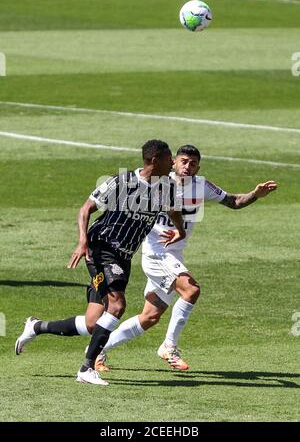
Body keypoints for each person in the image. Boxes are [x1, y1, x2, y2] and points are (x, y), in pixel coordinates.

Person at [15, 139, 186, 386]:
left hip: (124, 256)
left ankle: (36, 327)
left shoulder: (168, 186)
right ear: (154, 160)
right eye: (169, 158)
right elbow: (86, 209)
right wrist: (82, 241)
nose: (173, 162)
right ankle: (86, 368)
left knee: (93, 323)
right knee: (117, 306)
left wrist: (179, 230)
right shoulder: (122, 181)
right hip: (102, 249)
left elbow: (173, 211)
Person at [93, 145, 278, 371]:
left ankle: (98, 351)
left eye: (193, 163)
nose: (187, 166)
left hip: (175, 255)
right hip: (156, 252)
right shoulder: (158, 183)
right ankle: (169, 347)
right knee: (191, 290)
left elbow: (234, 201)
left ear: (198, 167)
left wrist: (255, 195)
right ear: (173, 162)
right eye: (183, 161)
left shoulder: (201, 185)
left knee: (150, 317)